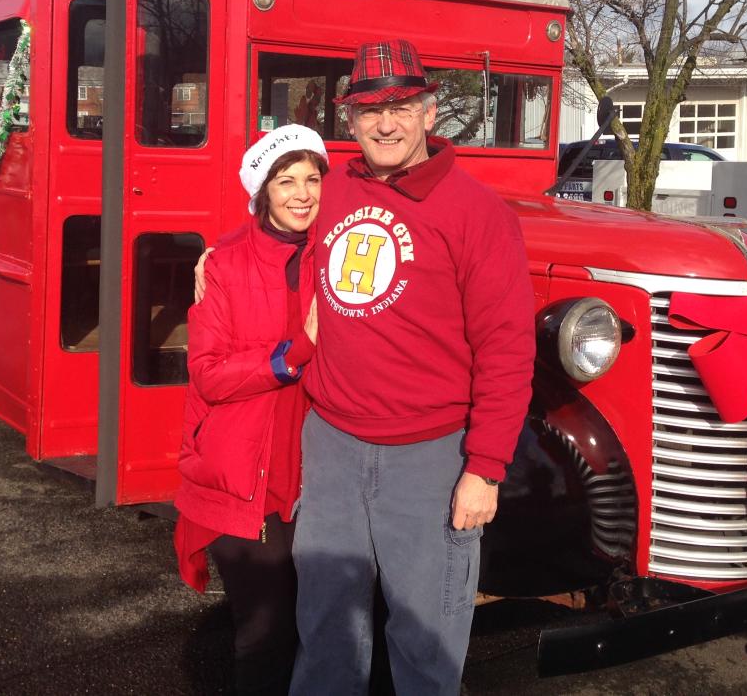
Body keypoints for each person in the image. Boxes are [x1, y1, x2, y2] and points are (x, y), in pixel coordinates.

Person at [289, 39, 536, 695]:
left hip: (431, 456)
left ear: (431, 113)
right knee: (326, 633)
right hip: (333, 444)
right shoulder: (332, 187)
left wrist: (484, 469)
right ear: (349, 121)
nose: (386, 123)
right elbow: (268, 230)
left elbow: (507, 349)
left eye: (401, 106)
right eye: (370, 110)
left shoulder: (477, 214)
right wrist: (216, 261)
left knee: (426, 642)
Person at [173, 124, 328, 696]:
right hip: (243, 477)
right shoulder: (225, 264)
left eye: (312, 178)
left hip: (315, 472)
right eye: (286, 180)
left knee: (322, 624)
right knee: (265, 631)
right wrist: (292, 355)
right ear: (262, 191)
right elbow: (208, 375)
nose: (302, 193)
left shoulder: (336, 255)